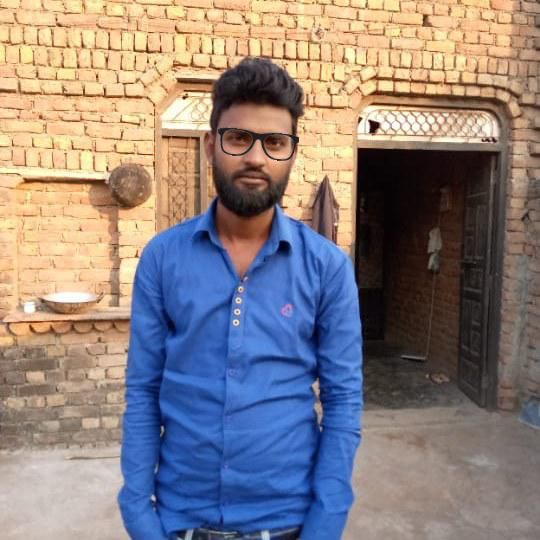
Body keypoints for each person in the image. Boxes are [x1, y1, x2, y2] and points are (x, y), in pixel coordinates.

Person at [118, 57, 363, 540]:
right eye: (238, 138)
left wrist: (325, 523)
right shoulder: (163, 259)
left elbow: (343, 400)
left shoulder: (326, 268)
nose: (256, 158)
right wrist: (138, 512)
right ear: (211, 145)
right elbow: (144, 390)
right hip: (181, 522)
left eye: (275, 142)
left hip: (289, 522)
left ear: (292, 153)